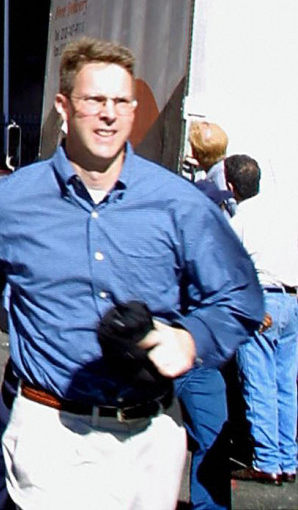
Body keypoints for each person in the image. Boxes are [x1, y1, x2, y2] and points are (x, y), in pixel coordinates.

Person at [0, 37, 264, 510]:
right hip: (51, 429)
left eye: (120, 101)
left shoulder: (179, 204)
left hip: (148, 437)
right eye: (94, 100)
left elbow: (240, 296)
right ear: (64, 107)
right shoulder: (12, 203)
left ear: (133, 110)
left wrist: (191, 339)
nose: (108, 113)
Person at [174, 120, 237, 510]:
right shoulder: (219, 201)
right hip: (192, 343)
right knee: (212, 439)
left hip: (189, 344)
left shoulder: (199, 196)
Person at [226, 153, 297, 487]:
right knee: (286, 383)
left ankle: (267, 460)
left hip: (263, 297)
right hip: (292, 298)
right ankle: (288, 458)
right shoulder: (288, 215)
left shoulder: (244, 217)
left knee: (259, 381)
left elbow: (232, 266)